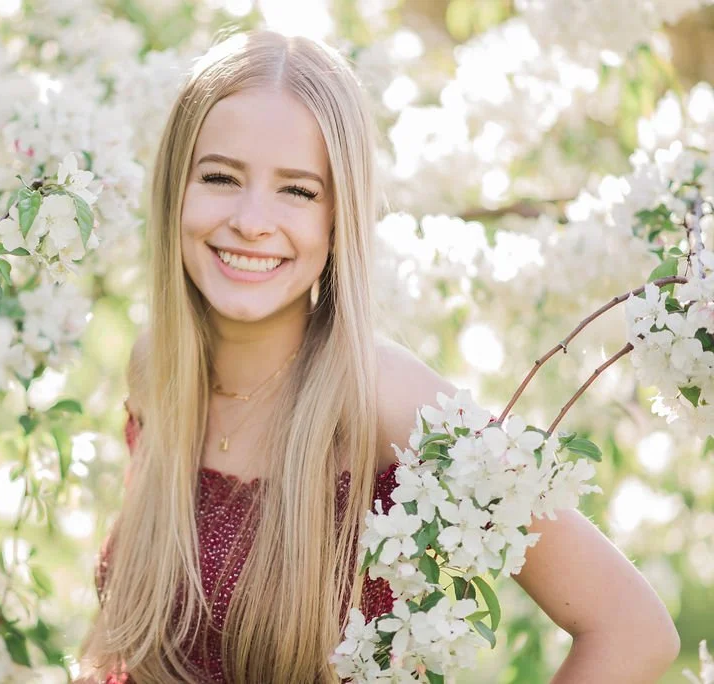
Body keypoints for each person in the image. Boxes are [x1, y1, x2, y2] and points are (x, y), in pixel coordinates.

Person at [77, 29, 680, 684]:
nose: (252, 220)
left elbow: (632, 629)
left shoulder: (382, 398)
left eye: (298, 191)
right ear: (176, 190)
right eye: (221, 177)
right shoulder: (156, 366)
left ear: (340, 217)